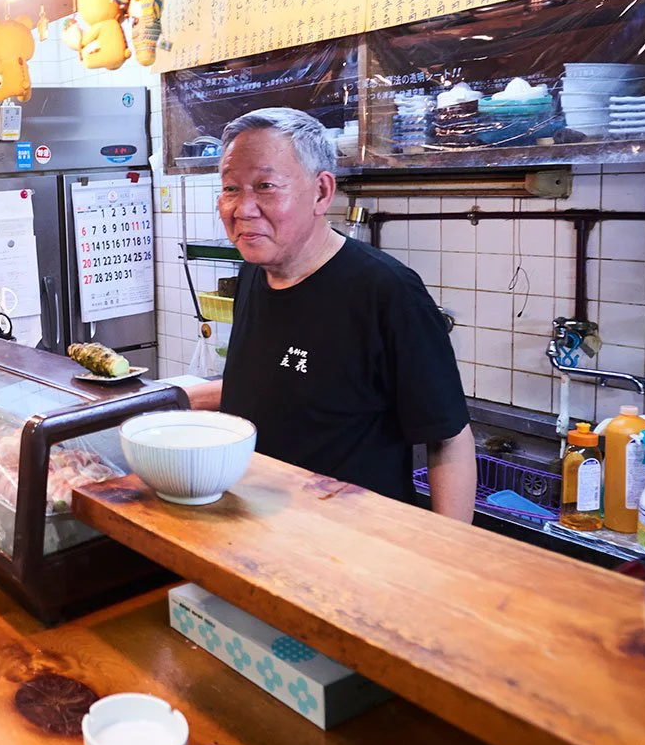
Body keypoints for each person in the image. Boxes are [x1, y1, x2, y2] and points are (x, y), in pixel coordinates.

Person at [197, 109, 477, 521]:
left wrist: (452, 559)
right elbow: (275, 386)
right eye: (230, 189)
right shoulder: (253, 276)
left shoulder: (386, 291)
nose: (242, 208)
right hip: (255, 528)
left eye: (265, 186)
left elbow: (449, 439)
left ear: (321, 192)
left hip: (355, 547)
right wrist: (169, 400)